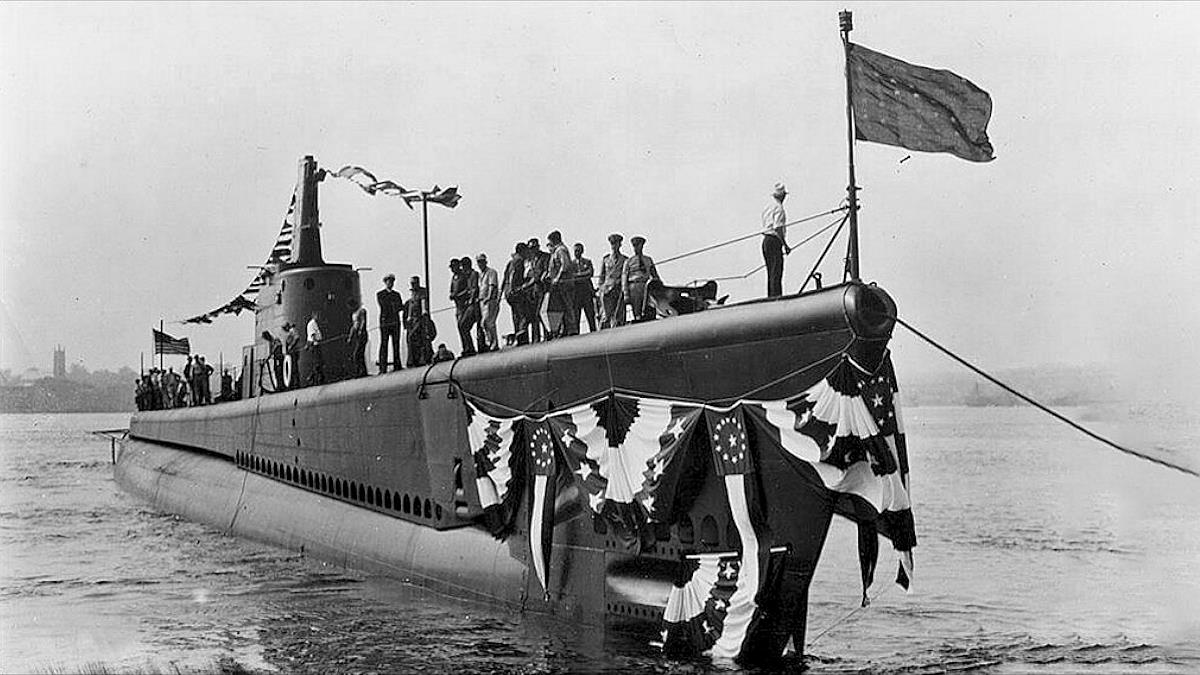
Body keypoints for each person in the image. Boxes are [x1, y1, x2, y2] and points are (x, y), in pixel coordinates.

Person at [762, 181, 791, 298]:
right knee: (776, 271)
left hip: (766, 240)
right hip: (774, 241)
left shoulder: (768, 206)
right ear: (782, 196)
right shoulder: (779, 208)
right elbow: (778, 228)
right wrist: (785, 245)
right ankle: (776, 297)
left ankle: (771, 297)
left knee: (770, 272)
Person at [545, 230, 577, 337]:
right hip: (559, 285)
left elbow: (565, 265)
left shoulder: (561, 250)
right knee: (562, 307)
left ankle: (572, 328)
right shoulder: (555, 251)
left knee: (567, 305)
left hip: (564, 283)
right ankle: (565, 328)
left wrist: (557, 278)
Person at [622, 236, 660, 322]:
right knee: (637, 310)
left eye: (638, 245)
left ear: (642, 246)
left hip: (646, 286)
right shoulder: (628, 261)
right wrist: (626, 294)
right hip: (634, 286)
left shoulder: (648, 260)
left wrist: (660, 287)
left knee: (648, 309)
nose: (636, 248)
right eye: (634, 246)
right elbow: (624, 278)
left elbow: (655, 275)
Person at [501, 242, 530, 346]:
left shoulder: (510, 262)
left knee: (516, 315)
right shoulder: (519, 260)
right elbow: (512, 275)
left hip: (508, 292)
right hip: (515, 291)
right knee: (523, 314)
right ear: (523, 251)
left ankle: (518, 335)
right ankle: (521, 337)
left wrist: (502, 291)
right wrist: (514, 287)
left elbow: (505, 277)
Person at [404, 276, 435, 367]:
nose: (413, 285)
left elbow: (423, 301)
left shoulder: (422, 292)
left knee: (415, 337)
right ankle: (414, 360)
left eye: (414, 283)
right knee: (412, 338)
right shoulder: (412, 293)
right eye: (412, 283)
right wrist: (409, 316)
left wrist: (424, 310)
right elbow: (411, 305)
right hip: (413, 320)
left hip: (420, 319)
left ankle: (422, 358)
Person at [599, 233, 628, 328]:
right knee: (606, 316)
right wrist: (601, 289)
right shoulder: (606, 259)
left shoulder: (625, 259)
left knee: (619, 316)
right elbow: (601, 277)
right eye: (612, 243)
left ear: (620, 245)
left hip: (619, 290)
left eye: (616, 243)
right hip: (607, 291)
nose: (614, 246)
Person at [449, 258, 477, 357]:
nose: (453, 269)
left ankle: (469, 348)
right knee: (460, 327)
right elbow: (452, 290)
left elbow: (468, 289)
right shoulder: (454, 278)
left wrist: (458, 295)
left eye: (454, 266)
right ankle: (465, 348)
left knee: (463, 325)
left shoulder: (464, 275)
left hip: (464, 305)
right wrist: (452, 295)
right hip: (458, 306)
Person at [376, 274, 404, 373]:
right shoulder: (380, 294)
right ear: (385, 283)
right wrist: (394, 306)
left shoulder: (397, 295)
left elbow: (400, 307)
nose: (391, 284)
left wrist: (395, 306)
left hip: (395, 322)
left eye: (392, 282)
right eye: (389, 282)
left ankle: (397, 365)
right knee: (384, 343)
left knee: (396, 344)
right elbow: (384, 306)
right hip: (385, 323)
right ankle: (382, 367)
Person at [525, 238, 550, 342]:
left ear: (538, 247)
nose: (533, 250)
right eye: (531, 248)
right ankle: (537, 338)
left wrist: (540, 278)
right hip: (534, 290)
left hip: (543, 288)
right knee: (535, 315)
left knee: (542, 312)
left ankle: (547, 335)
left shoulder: (545, 256)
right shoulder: (531, 260)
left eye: (534, 248)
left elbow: (545, 271)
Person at [476, 253, 500, 352]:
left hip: (490, 300)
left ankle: (494, 343)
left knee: (488, 322)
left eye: (482, 261)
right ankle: (490, 342)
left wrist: (489, 297)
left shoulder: (491, 272)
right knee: (484, 324)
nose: (480, 264)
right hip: (482, 301)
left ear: (485, 262)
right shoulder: (480, 275)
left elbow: (492, 285)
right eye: (478, 262)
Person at [572, 242, 597, 333]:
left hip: (587, 291)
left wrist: (578, 275)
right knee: (576, 317)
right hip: (576, 293)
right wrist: (582, 275)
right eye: (575, 251)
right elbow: (571, 276)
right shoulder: (571, 264)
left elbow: (590, 273)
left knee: (590, 315)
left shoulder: (587, 262)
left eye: (578, 250)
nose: (576, 253)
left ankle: (593, 332)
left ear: (582, 251)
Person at [347, 305, 369, 378]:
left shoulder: (361, 311)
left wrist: (360, 330)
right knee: (359, 354)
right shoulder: (353, 314)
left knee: (357, 354)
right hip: (357, 336)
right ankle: (362, 371)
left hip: (362, 335)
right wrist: (350, 337)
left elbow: (363, 321)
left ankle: (360, 371)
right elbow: (353, 327)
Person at [306, 311, 325, 385]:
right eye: (317, 315)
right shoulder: (312, 324)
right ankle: (313, 378)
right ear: (314, 315)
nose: (318, 317)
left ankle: (316, 378)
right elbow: (312, 335)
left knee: (318, 362)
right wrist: (316, 341)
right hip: (315, 345)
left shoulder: (314, 323)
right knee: (317, 362)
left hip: (316, 345)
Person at [283, 322, 302, 389]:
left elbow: (297, 338)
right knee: (292, 368)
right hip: (291, 353)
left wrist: (291, 346)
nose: (284, 330)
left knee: (294, 367)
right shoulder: (290, 331)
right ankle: (294, 383)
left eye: (284, 328)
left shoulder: (292, 330)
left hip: (293, 352)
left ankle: (296, 383)